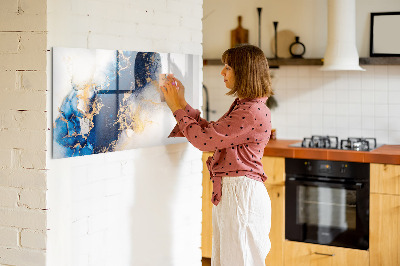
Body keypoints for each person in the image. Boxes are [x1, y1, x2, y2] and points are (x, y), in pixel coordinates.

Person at [161, 44, 273, 266]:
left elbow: (204, 141)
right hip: (236, 193)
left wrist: (176, 108)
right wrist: (182, 103)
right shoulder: (246, 106)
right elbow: (212, 133)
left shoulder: (250, 111)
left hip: (241, 195)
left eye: (228, 67)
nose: (222, 72)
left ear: (244, 72)